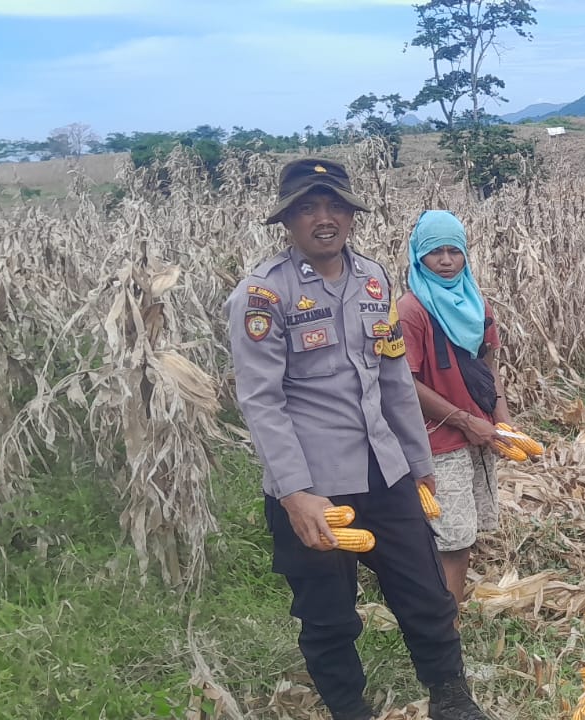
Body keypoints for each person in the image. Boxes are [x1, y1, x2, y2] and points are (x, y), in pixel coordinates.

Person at [225, 158, 497, 720]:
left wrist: (419, 463)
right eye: (308, 208)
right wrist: (294, 493)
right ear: (287, 220)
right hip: (315, 483)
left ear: (351, 215)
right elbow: (261, 401)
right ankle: (350, 708)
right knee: (328, 614)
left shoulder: (373, 279)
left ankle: (451, 697)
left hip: (386, 470)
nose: (324, 218)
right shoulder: (263, 294)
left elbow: (393, 377)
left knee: (425, 593)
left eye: (335, 206)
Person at [396, 209, 516, 614]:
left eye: (454, 251)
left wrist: (501, 419)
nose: (446, 261)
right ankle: (445, 629)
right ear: (419, 257)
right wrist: (465, 421)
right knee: (451, 541)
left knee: (463, 535)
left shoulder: (477, 304)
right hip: (438, 441)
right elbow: (406, 383)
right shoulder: (411, 310)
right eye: (435, 252)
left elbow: (488, 367)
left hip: (476, 436)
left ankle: (446, 619)